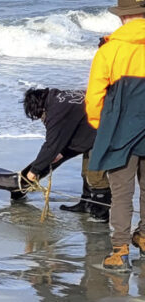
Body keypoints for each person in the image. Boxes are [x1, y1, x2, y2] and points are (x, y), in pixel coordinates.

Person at [86, 0, 145, 272]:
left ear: (122, 17)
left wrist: (102, 126)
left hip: (120, 131)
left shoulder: (109, 51)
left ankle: (120, 251)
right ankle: (144, 238)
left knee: (121, 194)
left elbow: (94, 97)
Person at [19, 88, 110, 222]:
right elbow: (73, 130)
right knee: (86, 172)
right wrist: (63, 153)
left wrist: (34, 171)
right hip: (93, 128)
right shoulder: (58, 98)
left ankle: (101, 213)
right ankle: (86, 203)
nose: (42, 119)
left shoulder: (57, 110)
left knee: (95, 175)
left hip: (105, 130)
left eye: (40, 115)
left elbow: (51, 144)